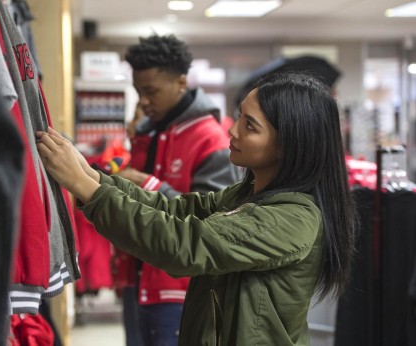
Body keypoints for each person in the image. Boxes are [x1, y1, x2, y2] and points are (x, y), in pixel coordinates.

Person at [36, 72, 356, 345]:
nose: (233, 130)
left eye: (250, 125)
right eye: (240, 116)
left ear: (288, 144)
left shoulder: (293, 217)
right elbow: (180, 211)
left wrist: (88, 188)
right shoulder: (247, 194)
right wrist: (93, 178)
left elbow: (185, 244)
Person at [114, 34, 240, 346]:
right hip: (138, 280)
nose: (142, 100)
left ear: (181, 82)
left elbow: (215, 222)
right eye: (138, 91)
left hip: (181, 290)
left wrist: (148, 184)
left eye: (150, 91)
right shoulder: (150, 133)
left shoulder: (211, 140)